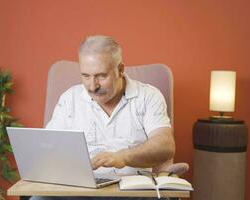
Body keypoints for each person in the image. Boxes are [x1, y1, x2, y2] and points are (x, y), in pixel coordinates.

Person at [32, 35, 175, 200]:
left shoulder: (148, 96)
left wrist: (123, 157)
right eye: (86, 76)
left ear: (120, 69)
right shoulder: (70, 98)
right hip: (78, 191)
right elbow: (47, 146)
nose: (92, 86)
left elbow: (165, 146)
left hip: (130, 191)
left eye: (101, 76)